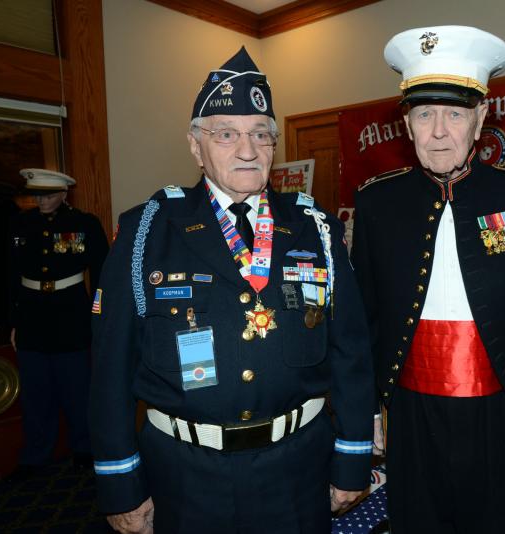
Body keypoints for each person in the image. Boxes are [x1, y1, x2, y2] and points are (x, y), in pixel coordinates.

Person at [89, 47, 374, 534]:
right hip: (184, 477)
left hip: (298, 470)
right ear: (196, 147)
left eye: (260, 134)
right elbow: (110, 368)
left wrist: (351, 459)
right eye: (226, 134)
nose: (247, 149)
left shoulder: (315, 228)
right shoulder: (146, 232)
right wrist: (120, 482)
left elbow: (351, 351)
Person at [351, 26, 505, 533]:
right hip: (410, 414)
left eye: (454, 114)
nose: (438, 131)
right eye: (424, 114)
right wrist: (364, 414)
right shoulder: (375, 204)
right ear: (406, 124)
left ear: (480, 121)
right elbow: (362, 324)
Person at [8, 169, 109, 473]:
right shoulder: (20, 224)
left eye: (48, 194)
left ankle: (84, 448)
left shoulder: (84, 223)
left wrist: (98, 316)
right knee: (36, 392)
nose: (42, 200)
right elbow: (10, 274)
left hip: (71, 315)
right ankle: (35, 455)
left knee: (76, 388)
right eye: (37, 195)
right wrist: (12, 320)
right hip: (31, 316)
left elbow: (103, 273)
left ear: (64, 193)